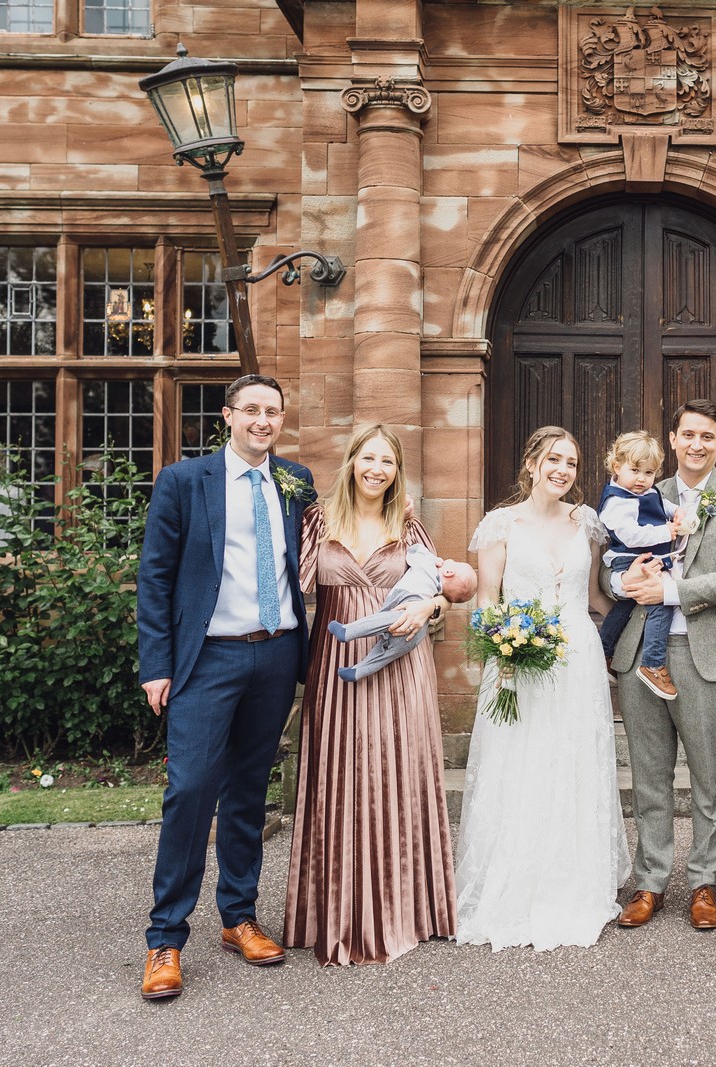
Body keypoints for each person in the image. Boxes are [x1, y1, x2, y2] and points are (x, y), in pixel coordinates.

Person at [135, 373, 314, 1000]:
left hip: (278, 653)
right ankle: (165, 939)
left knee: (247, 793)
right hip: (207, 659)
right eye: (252, 411)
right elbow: (155, 578)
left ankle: (238, 916)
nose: (263, 421)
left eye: (273, 412)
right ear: (228, 416)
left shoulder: (296, 482)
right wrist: (156, 665)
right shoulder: (185, 482)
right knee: (189, 791)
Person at [283, 425, 457, 966]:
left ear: (397, 470)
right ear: (352, 461)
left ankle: (406, 908)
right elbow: (288, 584)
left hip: (401, 666)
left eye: (387, 460)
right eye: (368, 457)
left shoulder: (407, 526)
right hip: (336, 662)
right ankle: (337, 914)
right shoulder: (317, 520)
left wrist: (427, 609)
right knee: (339, 775)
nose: (376, 468)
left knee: (397, 774)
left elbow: (443, 590)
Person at [454, 426, 630, 950]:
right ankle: (515, 883)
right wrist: (504, 650)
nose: (562, 470)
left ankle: (571, 881)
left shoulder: (588, 524)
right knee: (521, 763)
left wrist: (644, 600)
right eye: (553, 459)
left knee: (572, 762)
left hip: (578, 657)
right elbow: (486, 601)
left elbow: (598, 597)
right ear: (531, 463)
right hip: (517, 661)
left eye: (572, 463)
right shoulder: (500, 525)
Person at [610, 400, 716, 931]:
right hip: (639, 654)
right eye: (688, 435)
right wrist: (621, 584)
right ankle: (650, 880)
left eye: (708, 436)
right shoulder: (643, 492)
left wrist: (671, 589)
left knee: (708, 775)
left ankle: (705, 880)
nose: (697, 444)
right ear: (672, 440)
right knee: (649, 775)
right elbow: (612, 557)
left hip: (705, 653)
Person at [597, 430, 686, 699]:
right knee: (660, 603)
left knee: (625, 606)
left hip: (647, 556)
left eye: (649, 473)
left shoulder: (647, 490)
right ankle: (653, 663)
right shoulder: (617, 501)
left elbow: (662, 503)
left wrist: (678, 512)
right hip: (627, 558)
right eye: (635, 470)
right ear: (616, 466)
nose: (642, 479)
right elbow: (630, 534)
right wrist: (666, 533)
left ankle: (604, 649)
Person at [328, 546, 478, 682]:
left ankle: (348, 631)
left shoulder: (427, 566)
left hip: (405, 606)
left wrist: (433, 559)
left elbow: (414, 550)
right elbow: (448, 599)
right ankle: (357, 671)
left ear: (449, 572)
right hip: (417, 631)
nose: (450, 560)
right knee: (386, 654)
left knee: (383, 621)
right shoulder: (436, 590)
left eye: (456, 563)